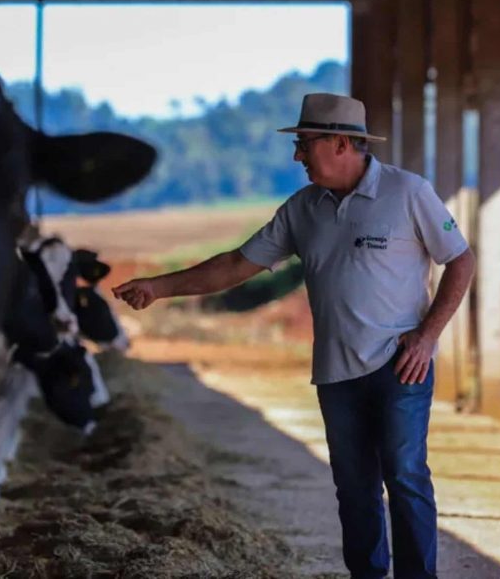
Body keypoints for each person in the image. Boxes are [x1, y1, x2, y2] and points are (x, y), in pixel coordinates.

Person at [112, 93, 475, 579]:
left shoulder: (407, 193)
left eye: (305, 144)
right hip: (335, 372)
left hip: (400, 365)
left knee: (405, 477)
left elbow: (461, 259)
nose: (297, 156)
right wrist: (160, 287)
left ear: (342, 143)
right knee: (353, 487)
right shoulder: (302, 209)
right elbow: (237, 265)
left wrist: (428, 336)